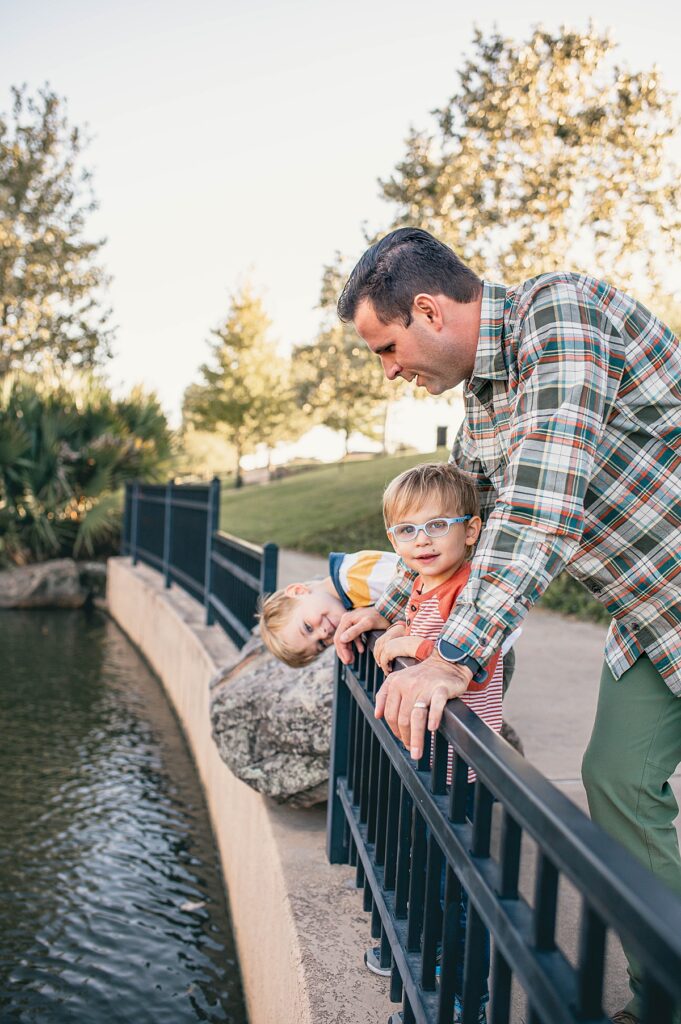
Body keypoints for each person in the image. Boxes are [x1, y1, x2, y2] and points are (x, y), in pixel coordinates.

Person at [333, 227, 681, 1024]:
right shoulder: (482, 405)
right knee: (619, 781)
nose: (389, 371)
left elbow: (540, 506)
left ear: (426, 311)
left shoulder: (559, 316)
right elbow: (467, 527)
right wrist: (384, 612)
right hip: (651, 621)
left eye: (385, 348)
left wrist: (453, 656)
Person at [369, 461, 507, 1024]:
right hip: (428, 759)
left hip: (464, 772)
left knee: (460, 890)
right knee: (419, 867)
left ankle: (463, 997)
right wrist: (399, 631)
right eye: (406, 530)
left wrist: (406, 645)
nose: (420, 541)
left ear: (470, 530)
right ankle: (418, 958)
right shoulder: (423, 585)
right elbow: (416, 632)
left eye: (436, 525)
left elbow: (470, 661)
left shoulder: (473, 589)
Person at [259, 549, 399, 666]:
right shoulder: (353, 599)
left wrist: (384, 613)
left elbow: (415, 579)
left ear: (298, 591)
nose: (323, 634)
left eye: (308, 627)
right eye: (321, 644)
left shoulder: (354, 576)